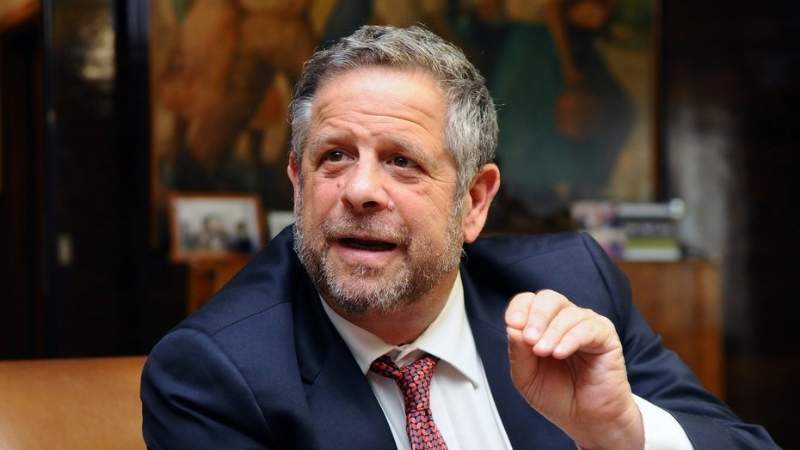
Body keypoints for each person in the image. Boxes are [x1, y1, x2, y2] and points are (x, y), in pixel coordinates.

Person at [141, 25, 778, 450]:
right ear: (297, 182)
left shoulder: (569, 286)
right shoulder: (215, 373)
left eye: (402, 161)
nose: (359, 190)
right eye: (334, 156)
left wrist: (621, 430)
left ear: (473, 202)